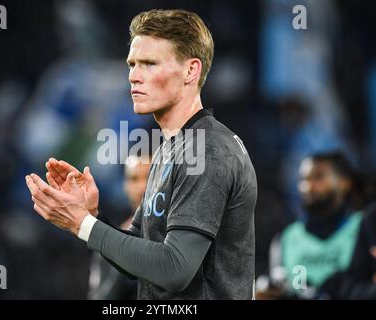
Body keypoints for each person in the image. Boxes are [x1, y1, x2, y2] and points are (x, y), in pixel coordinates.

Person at [25, 9, 257, 299]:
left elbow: (174, 269)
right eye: (132, 64)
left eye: (149, 64)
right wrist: (91, 216)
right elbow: (136, 256)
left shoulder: (207, 152)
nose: (134, 76)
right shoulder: (168, 151)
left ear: (190, 71)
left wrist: (82, 224)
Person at [256, 151, 363, 299]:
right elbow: (275, 284)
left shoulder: (364, 228)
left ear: (345, 183)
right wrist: (265, 288)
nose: (308, 186)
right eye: (303, 179)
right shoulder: (286, 239)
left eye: (318, 177)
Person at [87, 155, 150, 300]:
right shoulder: (108, 241)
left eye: (150, 176)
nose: (142, 187)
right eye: (134, 179)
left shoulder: (184, 233)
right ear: (125, 186)